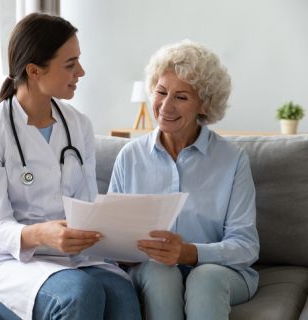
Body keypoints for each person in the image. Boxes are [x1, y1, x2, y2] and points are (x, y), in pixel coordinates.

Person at [0, 13, 141, 320]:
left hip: (75, 257)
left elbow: (87, 205)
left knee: (122, 295)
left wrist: (123, 240)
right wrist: (41, 235)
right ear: (34, 71)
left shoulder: (78, 125)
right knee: (79, 293)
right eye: (70, 64)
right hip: (10, 261)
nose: (81, 71)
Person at [109, 40, 259, 319]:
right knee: (159, 271)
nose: (165, 106)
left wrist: (188, 253)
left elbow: (246, 245)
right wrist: (120, 249)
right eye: (161, 92)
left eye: (181, 97)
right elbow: (113, 238)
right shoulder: (129, 157)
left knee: (205, 278)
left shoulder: (233, 160)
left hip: (220, 272)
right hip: (151, 269)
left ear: (204, 104)